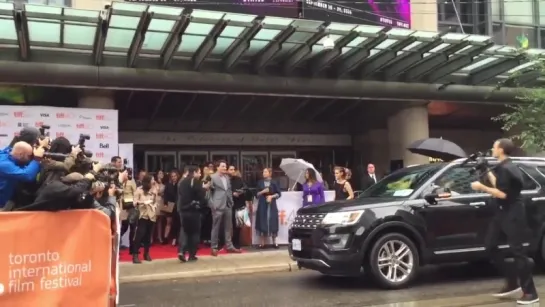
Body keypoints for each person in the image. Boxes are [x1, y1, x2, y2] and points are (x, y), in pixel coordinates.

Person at [470, 138, 538, 305]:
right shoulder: (502, 167)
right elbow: (499, 185)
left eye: (494, 146)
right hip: (502, 212)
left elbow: (504, 194)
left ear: (500, 149)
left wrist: (482, 187)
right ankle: (512, 283)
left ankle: (530, 293)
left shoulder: (510, 168)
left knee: (518, 251)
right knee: (490, 246)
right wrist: (485, 169)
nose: (492, 148)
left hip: (513, 213)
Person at [209, 160, 241, 256]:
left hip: (227, 204)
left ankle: (229, 246)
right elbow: (208, 193)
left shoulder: (227, 177)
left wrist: (231, 201)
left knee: (228, 227)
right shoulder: (212, 177)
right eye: (223, 166)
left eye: (225, 166)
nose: (224, 168)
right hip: (217, 205)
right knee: (216, 227)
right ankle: (214, 247)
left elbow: (229, 190)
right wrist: (212, 204)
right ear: (217, 167)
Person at [0, 141, 45, 208]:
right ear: (21, 155)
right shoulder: (5, 165)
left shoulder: (11, 153)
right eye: (30, 156)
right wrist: (37, 159)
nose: (31, 158)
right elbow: (27, 176)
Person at [178, 165, 207, 262]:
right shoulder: (197, 182)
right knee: (194, 233)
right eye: (199, 172)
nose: (200, 174)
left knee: (185, 231)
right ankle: (192, 254)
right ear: (194, 172)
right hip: (194, 210)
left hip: (183, 210)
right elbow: (201, 197)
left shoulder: (182, 182)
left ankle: (181, 251)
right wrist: (204, 189)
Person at [132, 174, 157, 264]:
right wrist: (143, 202)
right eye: (152, 179)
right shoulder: (139, 190)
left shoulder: (154, 190)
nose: (153, 181)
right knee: (140, 235)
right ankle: (135, 254)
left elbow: (155, 201)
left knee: (148, 235)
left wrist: (154, 204)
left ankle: (146, 253)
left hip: (152, 215)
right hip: (142, 215)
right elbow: (134, 202)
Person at [255, 168, 281, 249]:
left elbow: (279, 194)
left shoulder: (274, 182)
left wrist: (271, 196)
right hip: (262, 204)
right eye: (263, 172)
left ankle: (275, 242)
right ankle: (262, 243)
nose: (264, 173)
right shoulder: (260, 183)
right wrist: (263, 191)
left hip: (271, 204)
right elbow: (257, 194)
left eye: (265, 172)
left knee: (273, 221)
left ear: (270, 173)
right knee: (262, 221)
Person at [228, 165, 246, 249]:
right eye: (230, 169)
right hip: (229, 205)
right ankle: (229, 242)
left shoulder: (239, 179)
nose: (232, 171)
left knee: (238, 225)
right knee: (230, 225)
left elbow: (245, 189)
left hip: (240, 204)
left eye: (233, 169)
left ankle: (236, 242)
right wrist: (232, 193)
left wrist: (241, 192)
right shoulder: (226, 180)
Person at [120, 168, 137, 251]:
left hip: (131, 206)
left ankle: (132, 247)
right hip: (122, 205)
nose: (128, 174)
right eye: (127, 172)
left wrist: (135, 202)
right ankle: (118, 243)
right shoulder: (120, 180)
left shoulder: (132, 181)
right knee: (124, 227)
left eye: (129, 173)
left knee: (133, 227)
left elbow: (135, 192)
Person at [162, 170, 179, 244]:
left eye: (175, 176)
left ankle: (175, 238)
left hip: (177, 205)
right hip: (169, 204)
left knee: (176, 223)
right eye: (172, 176)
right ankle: (165, 238)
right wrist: (165, 203)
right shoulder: (168, 185)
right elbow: (165, 195)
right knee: (168, 222)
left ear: (177, 176)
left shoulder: (179, 184)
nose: (173, 178)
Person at [153, 170, 166, 244]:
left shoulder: (165, 184)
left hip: (161, 201)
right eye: (159, 173)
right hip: (155, 202)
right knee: (153, 220)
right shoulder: (154, 183)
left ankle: (160, 237)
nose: (161, 174)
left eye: (162, 173)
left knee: (160, 221)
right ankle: (151, 238)